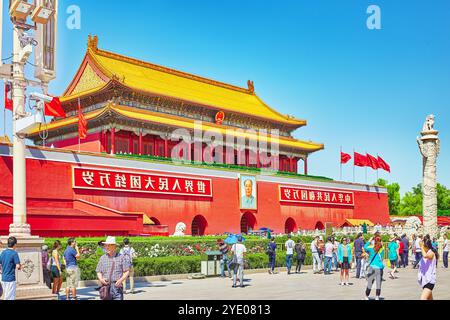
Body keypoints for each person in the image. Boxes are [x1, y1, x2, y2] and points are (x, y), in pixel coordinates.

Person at [364, 236, 385, 300]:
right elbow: (382, 258)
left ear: (374, 241)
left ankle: (366, 296)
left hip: (372, 267)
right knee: (378, 283)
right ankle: (377, 296)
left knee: (370, 282)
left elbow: (365, 247)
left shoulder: (371, 248)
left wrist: (370, 239)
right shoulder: (382, 249)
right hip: (380, 267)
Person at [418, 236, 438, 300]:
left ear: (426, 246)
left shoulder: (431, 253)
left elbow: (425, 256)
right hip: (424, 280)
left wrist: (421, 246)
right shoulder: (426, 252)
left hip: (430, 280)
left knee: (423, 298)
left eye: (423, 246)